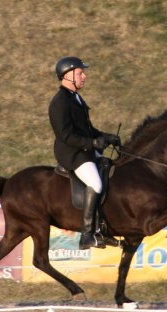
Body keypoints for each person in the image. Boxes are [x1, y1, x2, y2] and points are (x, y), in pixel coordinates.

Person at [48, 56, 121, 250]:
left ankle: (102, 230)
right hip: (72, 153)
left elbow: (86, 129)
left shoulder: (76, 98)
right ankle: (87, 235)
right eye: (80, 73)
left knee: (109, 173)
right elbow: (65, 135)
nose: (84, 76)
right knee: (95, 183)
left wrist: (106, 137)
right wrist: (92, 142)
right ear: (67, 75)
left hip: (84, 149)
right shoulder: (59, 102)